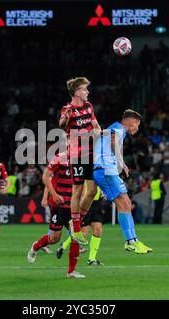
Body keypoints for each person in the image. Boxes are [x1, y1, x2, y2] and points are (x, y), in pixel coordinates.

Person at [93, 110, 152, 254]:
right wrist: (121, 162)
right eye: (137, 125)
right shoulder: (118, 128)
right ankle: (130, 241)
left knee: (126, 203)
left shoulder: (116, 129)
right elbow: (113, 141)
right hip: (105, 169)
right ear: (131, 122)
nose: (137, 129)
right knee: (124, 203)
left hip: (106, 169)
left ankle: (133, 240)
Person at [27, 152, 85, 278]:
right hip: (59, 205)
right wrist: (53, 194)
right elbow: (45, 177)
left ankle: (71, 271)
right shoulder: (59, 158)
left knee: (75, 235)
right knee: (54, 239)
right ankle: (36, 246)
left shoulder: (83, 158)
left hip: (73, 206)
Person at [59, 77, 101, 246]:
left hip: (91, 154)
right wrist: (66, 119)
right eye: (85, 89)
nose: (88, 92)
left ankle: (77, 219)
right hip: (77, 155)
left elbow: (96, 126)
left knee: (91, 190)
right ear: (77, 92)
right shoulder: (67, 109)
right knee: (77, 190)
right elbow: (62, 124)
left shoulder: (88, 107)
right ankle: (76, 226)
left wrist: (98, 131)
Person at [56, 186, 105, 265]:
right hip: (86, 203)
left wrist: (102, 191)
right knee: (83, 234)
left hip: (96, 204)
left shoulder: (97, 174)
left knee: (98, 230)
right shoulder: (85, 175)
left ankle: (91, 259)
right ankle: (63, 245)